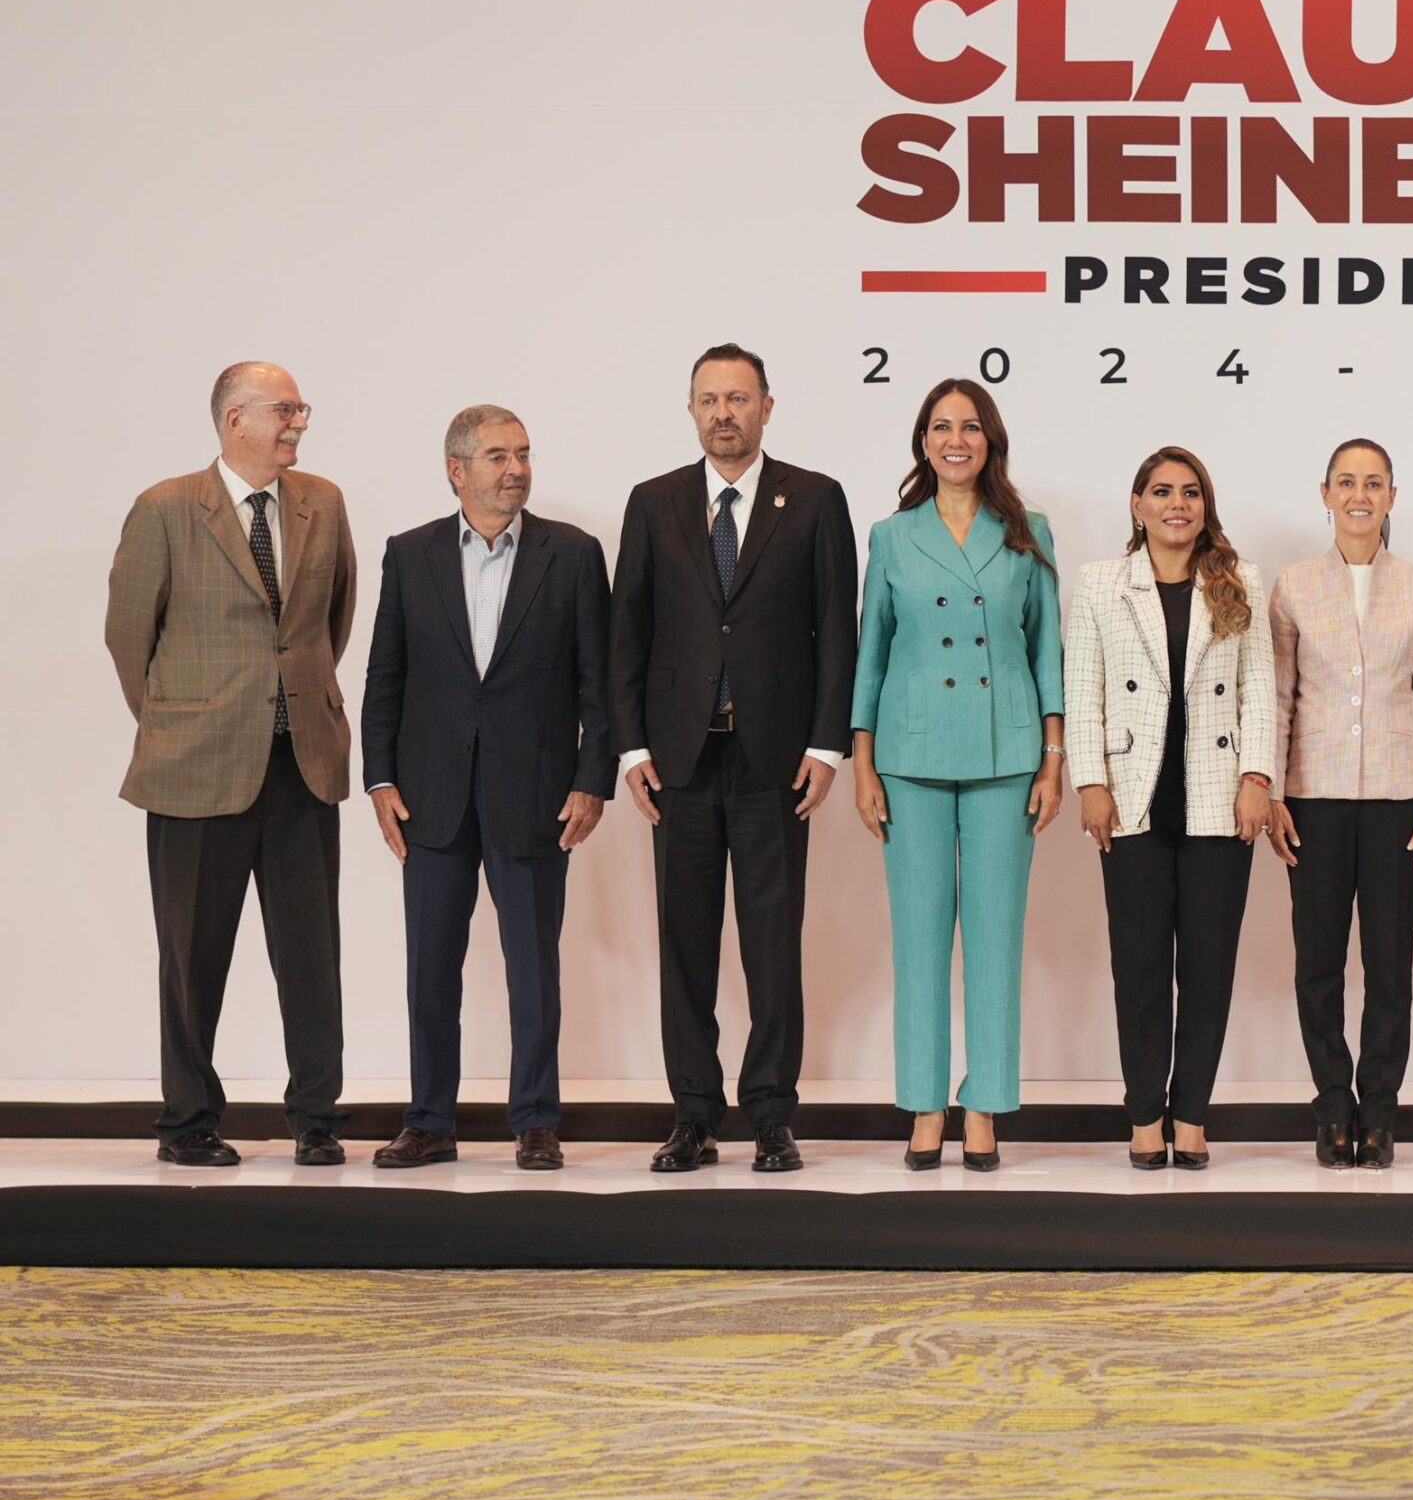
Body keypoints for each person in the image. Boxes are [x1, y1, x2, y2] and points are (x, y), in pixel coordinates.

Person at [610, 344, 858, 1174]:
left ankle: (772, 1114)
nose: (724, 412)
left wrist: (827, 745)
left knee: (771, 942)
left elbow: (837, 633)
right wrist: (632, 747)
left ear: (767, 407)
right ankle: (692, 1114)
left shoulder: (815, 499)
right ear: (691, 411)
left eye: (739, 398)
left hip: (775, 761)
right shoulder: (653, 503)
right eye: (710, 399)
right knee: (684, 940)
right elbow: (628, 634)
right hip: (677, 760)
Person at [105, 362, 358, 1167]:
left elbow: (332, 618)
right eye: (284, 410)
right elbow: (126, 635)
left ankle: (317, 1118)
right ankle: (187, 1123)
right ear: (234, 418)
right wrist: (181, 722)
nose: (298, 423)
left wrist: (292, 699)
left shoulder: (324, 501)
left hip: (302, 767)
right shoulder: (167, 507)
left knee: (313, 955)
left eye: (300, 409)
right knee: (191, 954)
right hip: (195, 769)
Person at [360, 405, 613, 1173]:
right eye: (499, 456)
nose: (517, 469)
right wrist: (378, 777)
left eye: (524, 454)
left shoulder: (572, 555)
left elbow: (597, 684)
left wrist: (591, 778)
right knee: (429, 968)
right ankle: (429, 1121)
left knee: (533, 968)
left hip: (535, 793)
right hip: (429, 797)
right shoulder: (410, 554)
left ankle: (537, 1121)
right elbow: (385, 677)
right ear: (456, 469)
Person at [850, 379, 1065, 1172]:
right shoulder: (891, 534)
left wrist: (1053, 758)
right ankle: (924, 1103)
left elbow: (1047, 650)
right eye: (941, 426)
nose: (956, 439)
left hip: (1008, 754)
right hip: (908, 756)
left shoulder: (1027, 529)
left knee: (996, 936)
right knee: (918, 938)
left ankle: (984, 1105)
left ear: (990, 439)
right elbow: (871, 650)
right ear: (923, 441)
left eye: (970, 426)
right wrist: (863, 761)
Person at [1065, 447, 1276, 1170]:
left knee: (1210, 968)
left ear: (1205, 505)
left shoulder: (1238, 579)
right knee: (1141, 967)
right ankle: (1144, 1117)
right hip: (1133, 797)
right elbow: (1083, 686)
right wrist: (1090, 781)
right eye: (1162, 492)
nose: (1176, 503)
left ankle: (1192, 1115)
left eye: (1190, 492)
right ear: (1137, 505)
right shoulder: (1101, 584)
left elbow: (1260, 689)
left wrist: (1258, 776)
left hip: (1220, 798)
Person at [1266, 438, 1413, 1170]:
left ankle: (1379, 1114)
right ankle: (1332, 1106)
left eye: (1373, 482)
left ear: (1391, 496)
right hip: (1312, 799)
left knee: (1390, 964)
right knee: (1316, 962)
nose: (1359, 494)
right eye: (1346, 481)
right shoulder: (1291, 586)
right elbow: (1280, 697)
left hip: (1395, 798)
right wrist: (1276, 793)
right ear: (1324, 494)